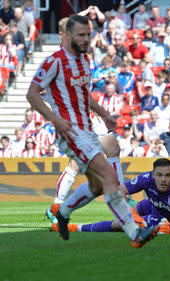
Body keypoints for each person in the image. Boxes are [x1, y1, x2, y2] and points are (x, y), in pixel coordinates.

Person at [26, 15, 157, 247]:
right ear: (66, 36)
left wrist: (104, 113)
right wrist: (55, 119)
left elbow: (84, 94)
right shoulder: (53, 62)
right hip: (71, 132)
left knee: (97, 185)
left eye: (88, 34)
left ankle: (63, 212)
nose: (86, 39)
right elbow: (32, 94)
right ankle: (134, 232)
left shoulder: (84, 61)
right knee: (109, 176)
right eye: (81, 35)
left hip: (88, 127)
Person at [53, 158, 170, 235]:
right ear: (153, 175)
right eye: (159, 175)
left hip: (165, 219)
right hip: (151, 204)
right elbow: (120, 190)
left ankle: (76, 227)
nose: (163, 180)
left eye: (167, 175)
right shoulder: (146, 178)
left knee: (118, 225)